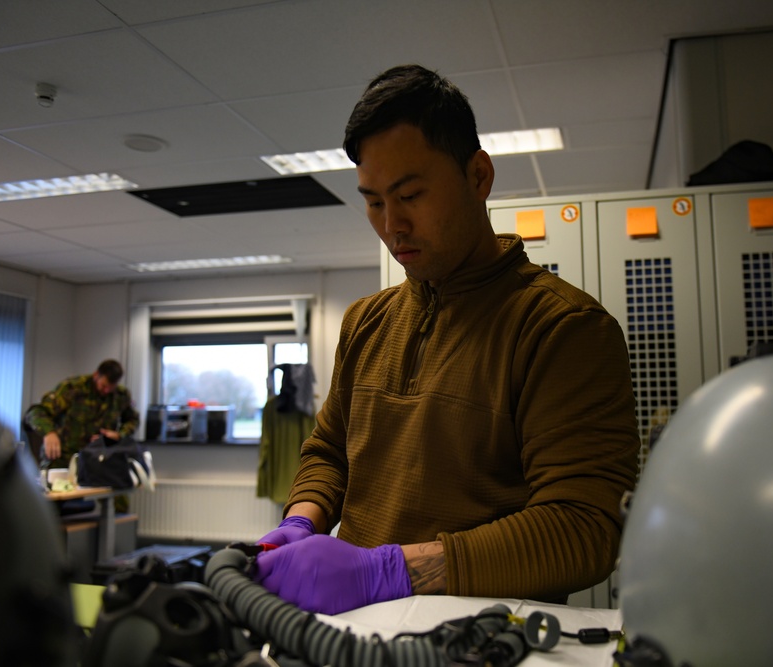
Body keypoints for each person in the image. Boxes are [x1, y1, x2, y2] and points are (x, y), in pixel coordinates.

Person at [253, 64, 640, 615]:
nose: (393, 225)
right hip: (354, 634)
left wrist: (386, 571)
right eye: (374, 201)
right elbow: (329, 451)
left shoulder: (562, 327)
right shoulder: (366, 322)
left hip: (480, 640)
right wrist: (302, 518)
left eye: (410, 194)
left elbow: (585, 527)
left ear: (478, 176)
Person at [25, 359, 140, 511]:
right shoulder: (73, 388)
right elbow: (35, 412)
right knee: (50, 503)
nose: (106, 391)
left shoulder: (120, 396)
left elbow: (133, 419)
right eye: (103, 386)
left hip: (97, 458)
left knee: (119, 501)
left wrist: (119, 434)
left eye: (110, 388)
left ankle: (111, 533)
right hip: (62, 457)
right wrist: (49, 433)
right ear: (96, 375)